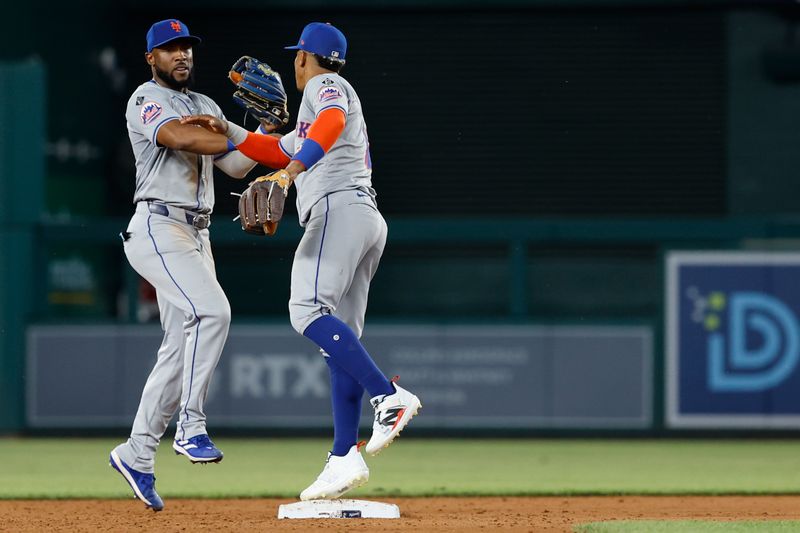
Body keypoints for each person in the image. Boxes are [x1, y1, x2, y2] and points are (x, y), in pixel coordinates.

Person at [182, 22, 421, 501]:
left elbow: (324, 128)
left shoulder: (323, 86)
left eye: (297, 57)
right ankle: (341, 458)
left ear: (303, 58)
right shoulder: (318, 106)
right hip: (362, 215)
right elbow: (280, 146)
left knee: (305, 311)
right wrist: (231, 130)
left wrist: (289, 174)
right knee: (339, 345)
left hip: (338, 209)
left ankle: (388, 396)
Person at [109, 18, 285, 512]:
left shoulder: (206, 105)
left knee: (178, 344)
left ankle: (136, 453)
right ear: (152, 58)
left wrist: (265, 131)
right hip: (158, 226)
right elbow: (181, 139)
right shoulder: (146, 99)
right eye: (170, 49)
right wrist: (238, 132)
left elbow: (232, 164)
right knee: (213, 313)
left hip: (196, 230)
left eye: (186, 47)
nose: (181, 54)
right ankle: (190, 425)